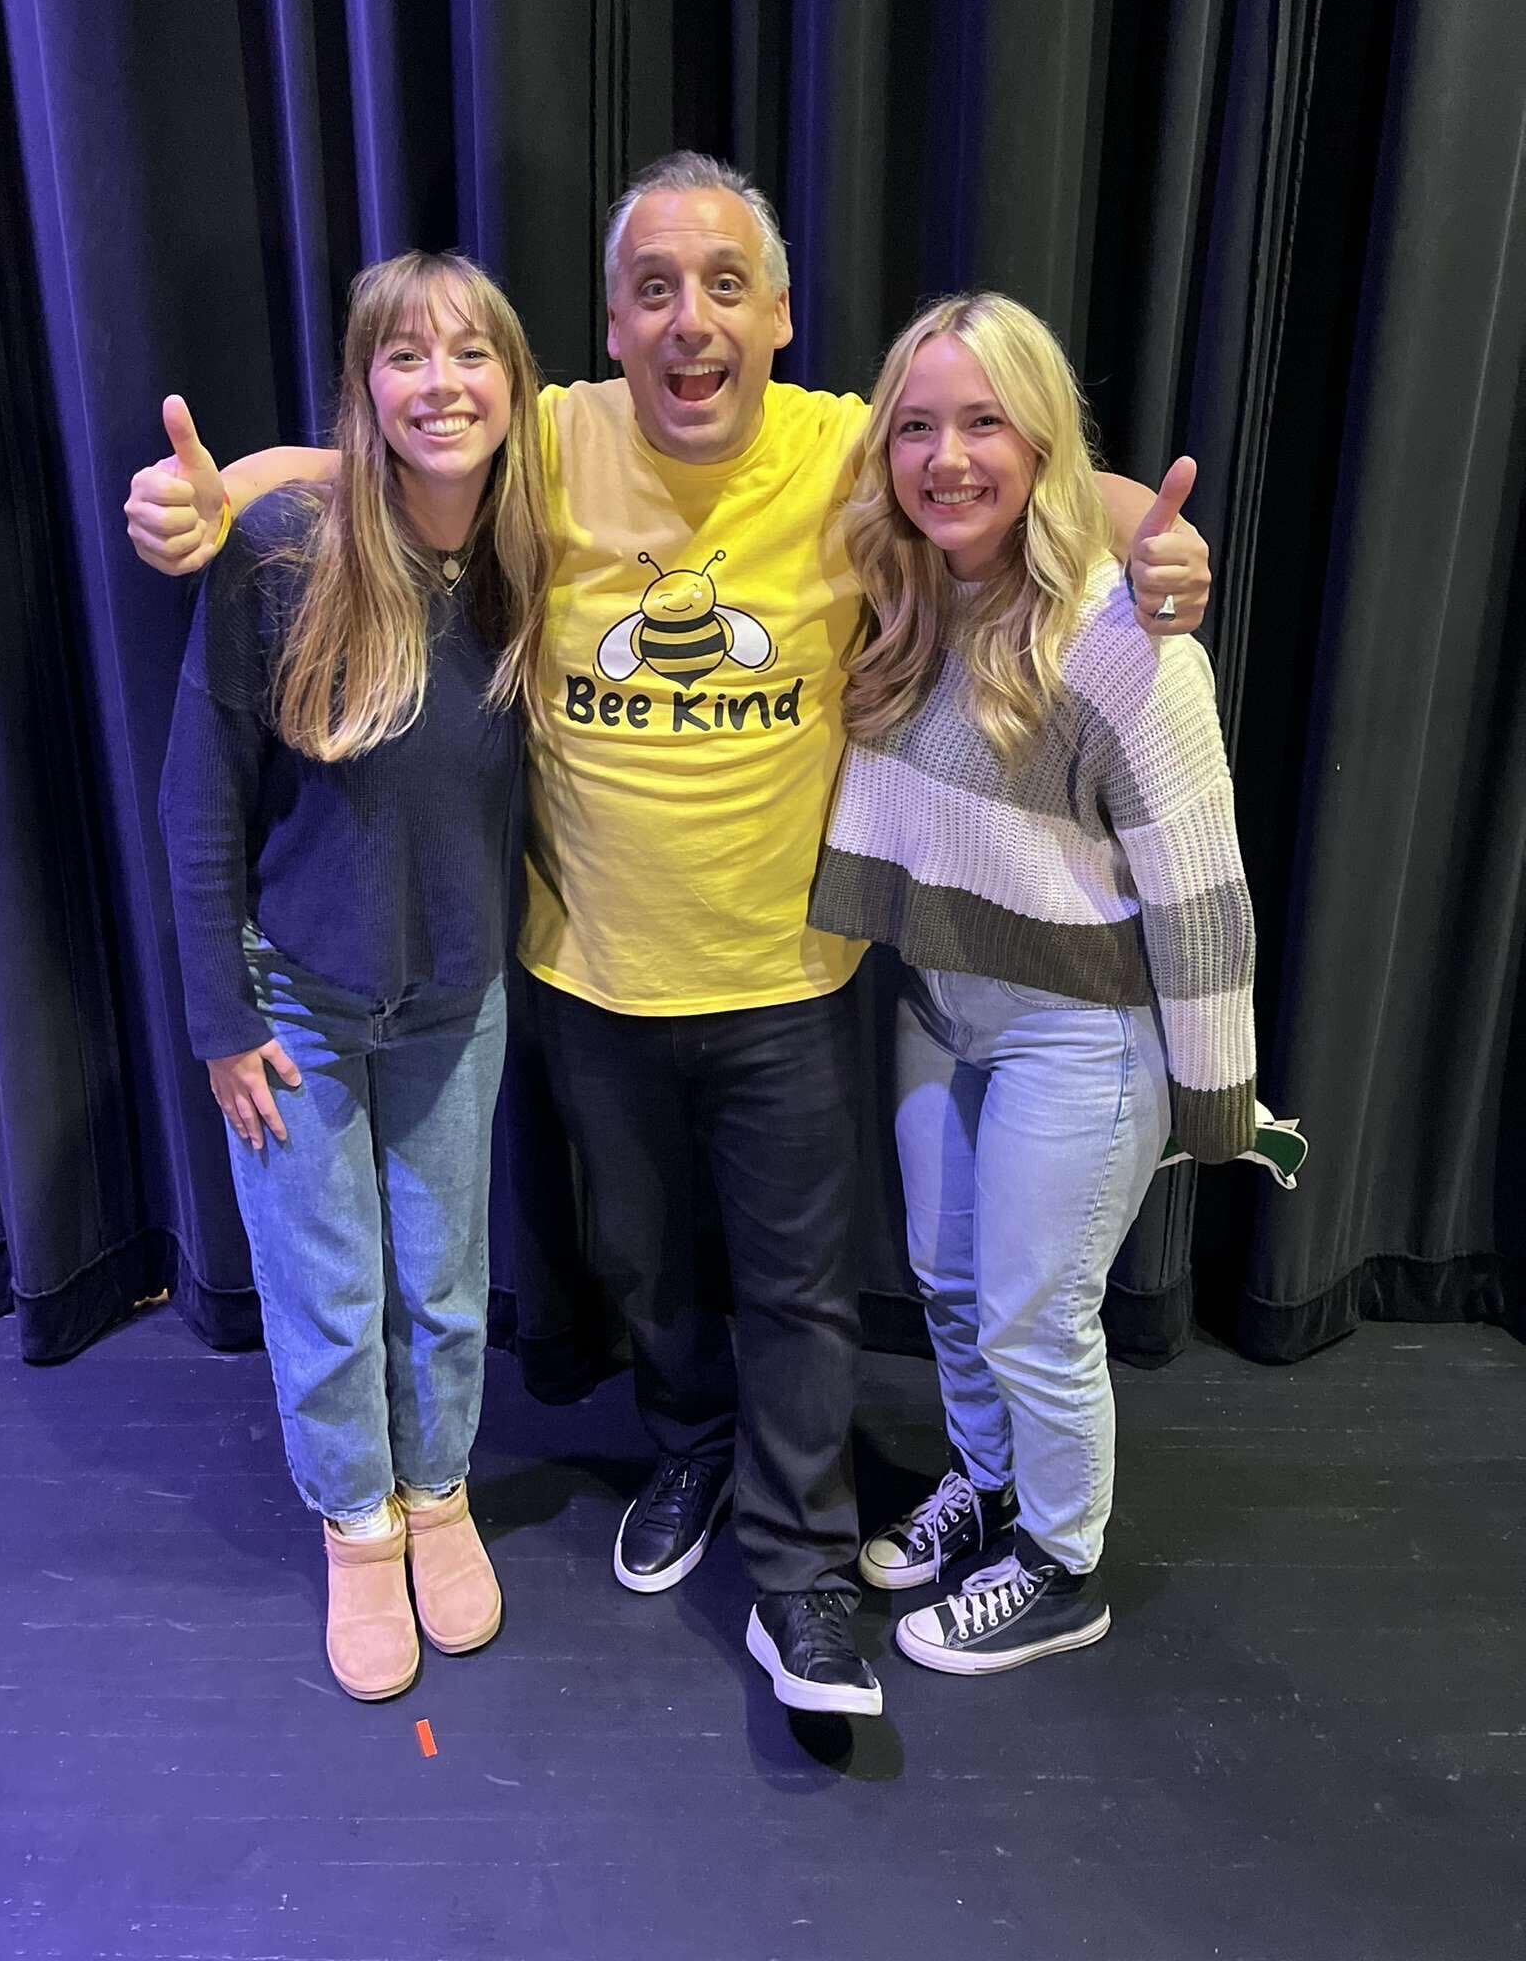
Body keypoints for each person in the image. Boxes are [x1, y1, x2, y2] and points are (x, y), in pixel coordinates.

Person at [130, 155, 1214, 1721]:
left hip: (787, 975)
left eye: (724, 284)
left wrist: (1159, 548)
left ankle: (801, 1583)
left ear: (779, 316)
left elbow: (1057, 482)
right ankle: (686, 1457)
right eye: (653, 288)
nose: (689, 317)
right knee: (641, 1271)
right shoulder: (549, 438)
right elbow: (360, 450)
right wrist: (218, 496)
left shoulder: (850, 448)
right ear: (612, 325)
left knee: (796, 1288)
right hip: (581, 971)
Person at [809, 292, 1256, 1674]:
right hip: (943, 1011)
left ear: (1044, 439)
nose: (948, 456)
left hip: (1083, 1034)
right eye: (920, 426)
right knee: (948, 1285)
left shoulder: (1125, 640)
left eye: (985, 421)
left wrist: (1216, 1098)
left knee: (1031, 1310)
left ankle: (1063, 1563)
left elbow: (1199, 876)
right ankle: (992, 1494)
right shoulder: (895, 600)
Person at [158, 251, 553, 1701]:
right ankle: (357, 1527)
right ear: (363, 387)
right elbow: (196, 800)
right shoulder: (282, 551)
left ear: (515, 387)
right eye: (404, 355)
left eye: (471, 355)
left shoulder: (531, 555)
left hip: (456, 998)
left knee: (444, 1286)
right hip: (296, 997)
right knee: (329, 1291)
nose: (440, 382)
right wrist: (218, 1015)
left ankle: (437, 1497)